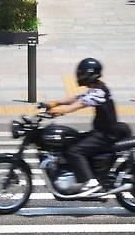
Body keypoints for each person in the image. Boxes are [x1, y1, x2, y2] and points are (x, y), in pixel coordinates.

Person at [45, 58, 123, 196]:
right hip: (101, 132)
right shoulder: (97, 88)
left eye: (82, 74)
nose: (80, 77)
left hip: (105, 135)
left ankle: (90, 182)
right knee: (72, 140)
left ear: (90, 75)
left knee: (74, 151)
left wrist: (55, 111)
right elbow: (76, 98)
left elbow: (76, 106)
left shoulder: (98, 92)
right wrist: (54, 103)